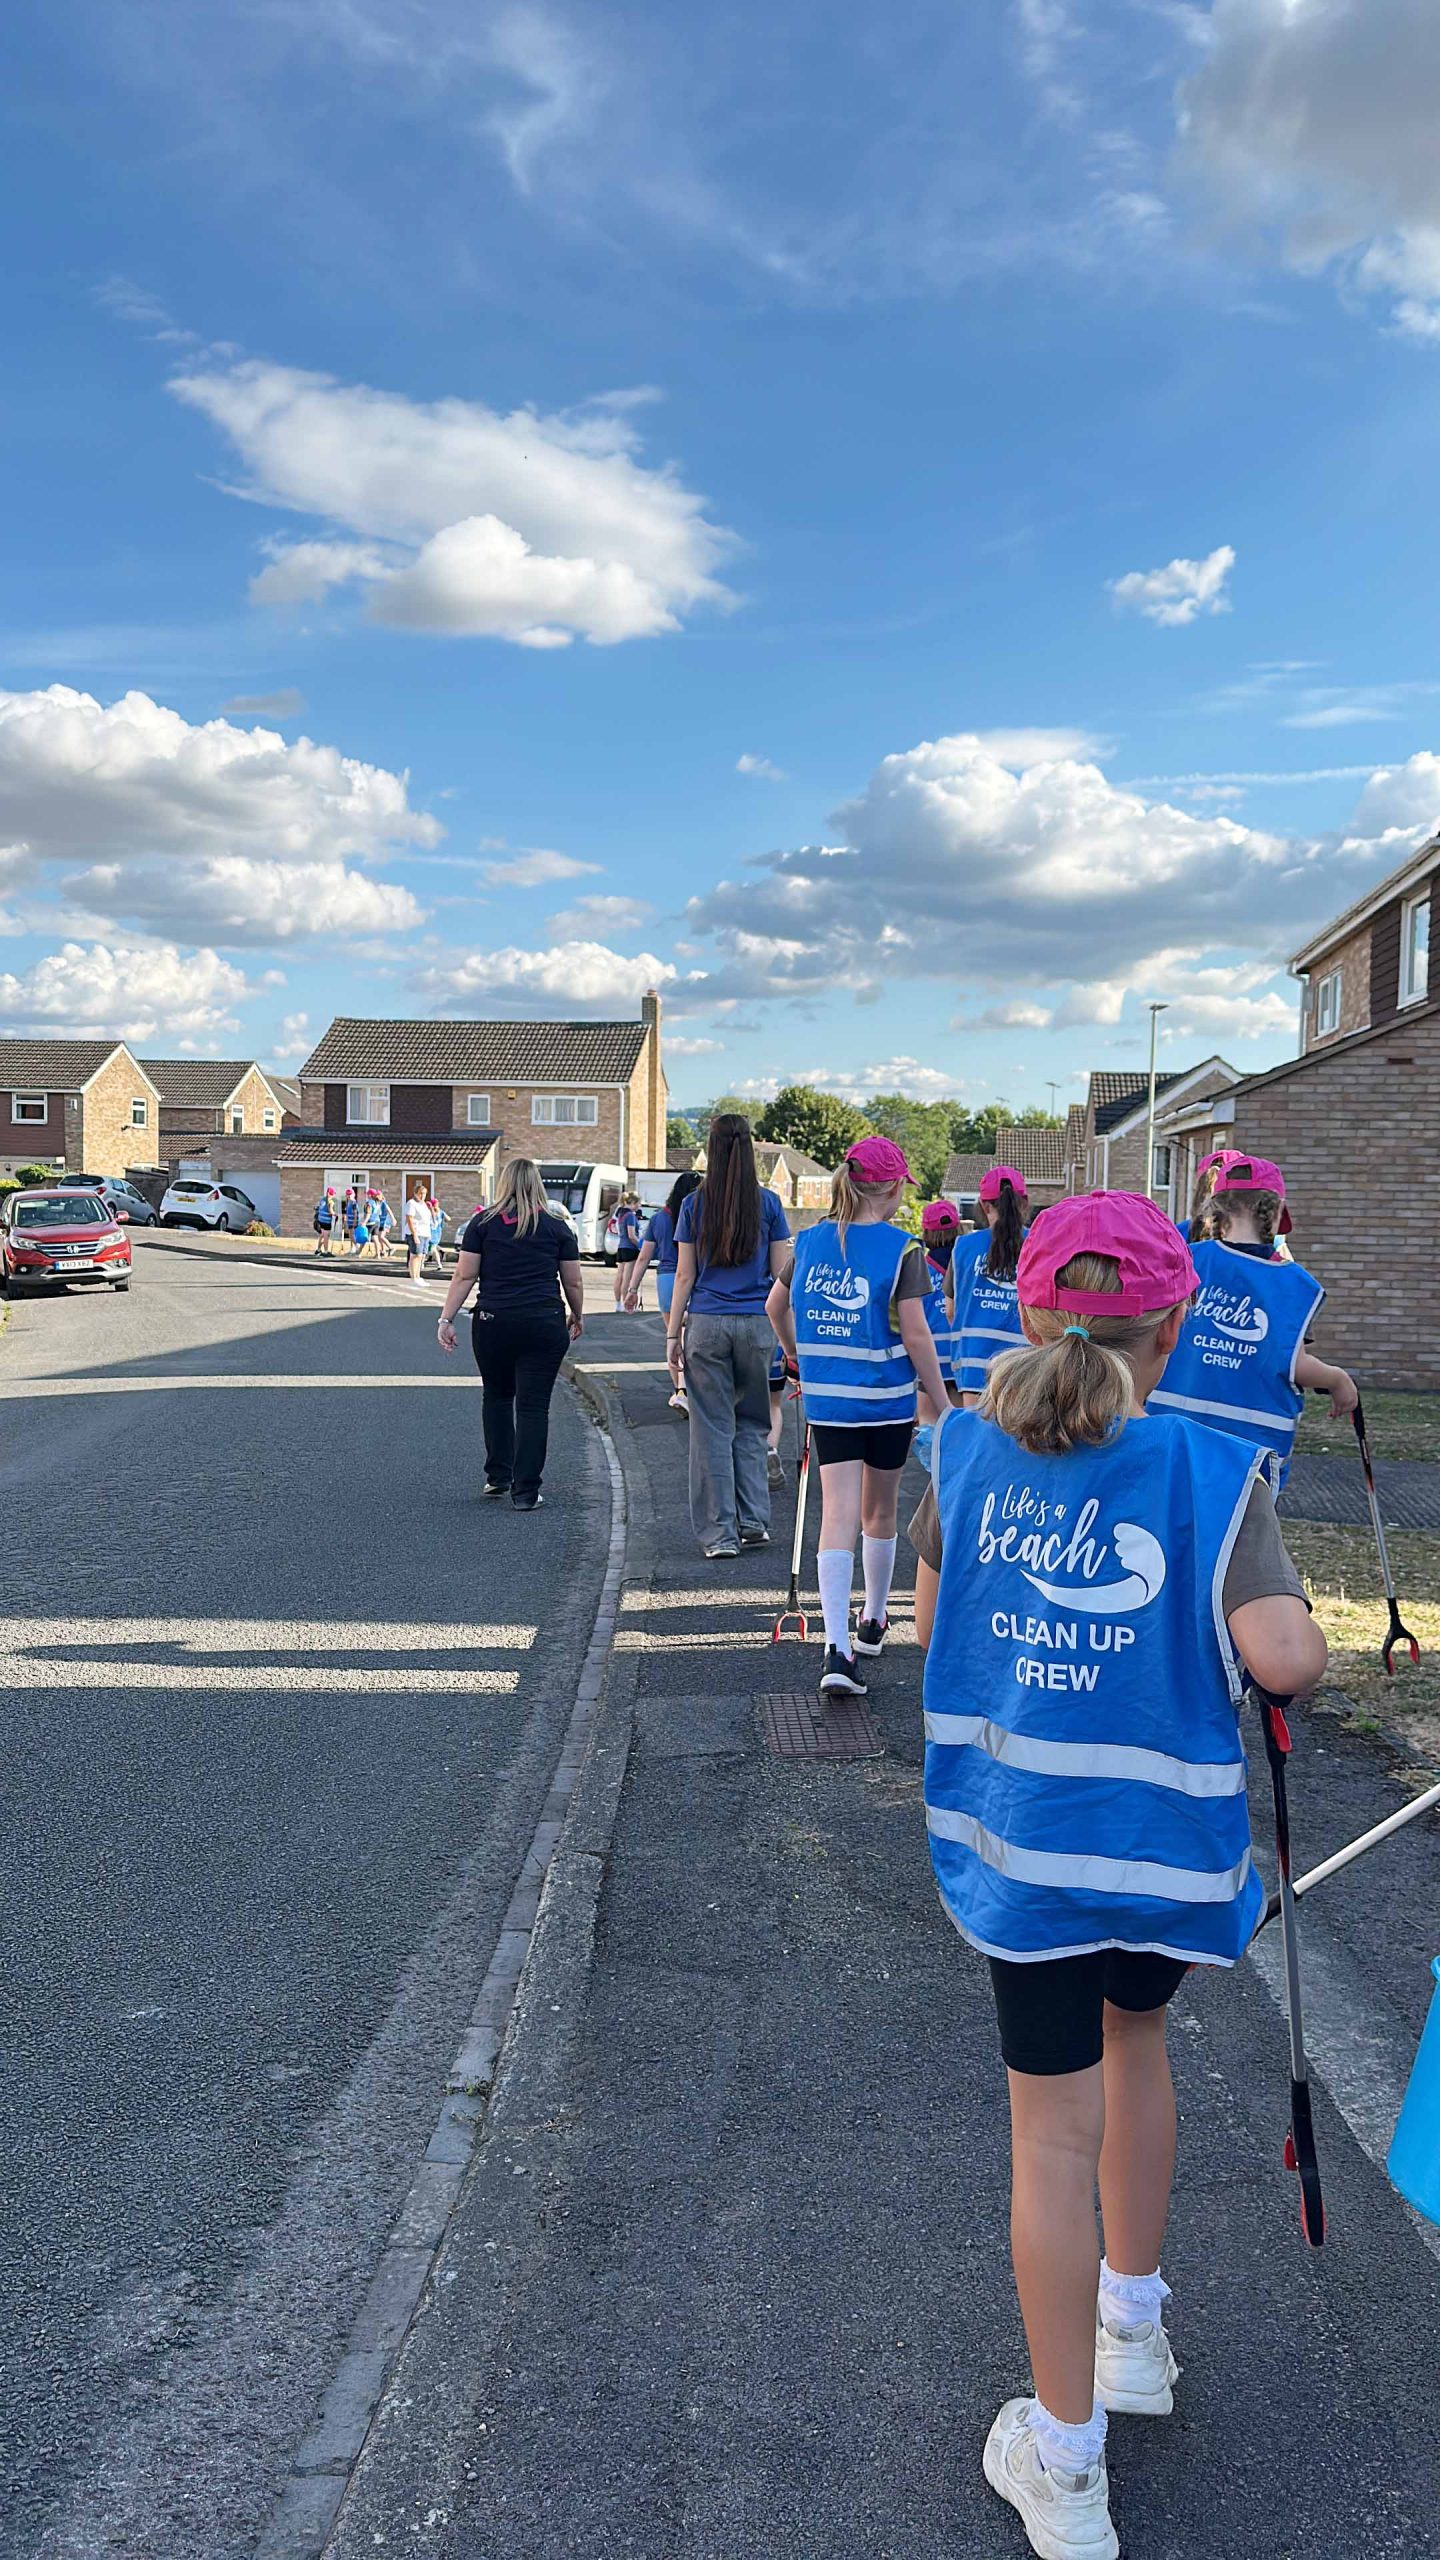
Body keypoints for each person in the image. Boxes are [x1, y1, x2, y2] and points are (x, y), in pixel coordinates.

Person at [909, 1191, 1327, 2560]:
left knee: (1049, 2136)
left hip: (1024, 1856)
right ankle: (1133, 2331)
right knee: (1135, 2043)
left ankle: (1068, 2460)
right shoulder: (1213, 1471)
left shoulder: (963, 1451)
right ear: (1177, 1330)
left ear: (1028, 1311)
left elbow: (936, 1629)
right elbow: (1285, 1660)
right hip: (1163, 1864)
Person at [767, 1137, 948, 1698]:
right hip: (887, 1401)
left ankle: (837, 1648)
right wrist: (942, 1405)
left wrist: (795, 1357)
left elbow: (775, 1306)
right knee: (880, 1509)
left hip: (829, 1401)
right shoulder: (902, 1249)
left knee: (838, 1514)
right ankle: (873, 1618)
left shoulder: (809, 1241)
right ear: (892, 1189)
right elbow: (916, 1334)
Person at [1148, 1152, 1356, 1477]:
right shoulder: (1294, 1284)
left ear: (1216, 1208)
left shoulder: (1187, 1260)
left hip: (1170, 1442)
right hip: (1249, 1458)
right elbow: (1295, 1364)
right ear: (1277, 1212)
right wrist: (1337, 1380)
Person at [666, 1115, 791, 1559]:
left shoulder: (693, 1205)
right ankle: (753, 1521)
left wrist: (672, 1334)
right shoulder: (769, 1204)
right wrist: (791, 1339)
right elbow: (780, 1275)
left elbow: (684, 1275)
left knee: (711, 1429)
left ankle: (719, 1535)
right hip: (757, 1325)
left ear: (713, 1149)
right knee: (753, 1424)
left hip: (706, 1324)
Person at [436, 1155, 584, 1510]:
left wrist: (446, 1319)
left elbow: (464, 1275)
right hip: (543, 1322)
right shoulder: (557, 1226)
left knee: (497, 1396)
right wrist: (577, 1314)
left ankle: (498, 1475)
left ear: (503, 1183)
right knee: (533, 1406)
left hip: (493, 1322)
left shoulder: (482, 1224)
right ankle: (526, 1492)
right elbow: (573, 1280)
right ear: (537, 1184)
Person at [950, 1164, 1029, 1406]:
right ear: (1025, 1204)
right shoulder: (1039, 1244)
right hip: (1025, 1364)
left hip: (973, 1361)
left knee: (975, 1428)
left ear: (984, 1206)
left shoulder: (963, 1247)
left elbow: (951, 1310)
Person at [625, 1171, 700, 1323]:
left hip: (667, 1278)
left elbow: (644, 1258)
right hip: (698, 1278)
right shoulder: (703, 1218)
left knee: (672, 1332)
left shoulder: (658, 1219)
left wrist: (632, 1289)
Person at [614, 1192, 644, 1307]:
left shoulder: (621, 1214)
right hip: (630, 1248)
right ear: (633, 1203)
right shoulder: (631, 1215)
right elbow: (631, 1235)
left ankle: (618, 1304)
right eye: (638, 1203)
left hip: (621, 1247)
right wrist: (640, 1245)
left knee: (619, 1276)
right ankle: (626, 1303)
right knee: (628, 1278)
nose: (639, 1206)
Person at [405, 1183, 432, 1287]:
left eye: (424, 1194)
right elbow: (410, 1219)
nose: (422, 1196)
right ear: (415, 1193)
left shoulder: (424, 1205)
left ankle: (418, 1276)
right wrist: (414, 1234)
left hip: (425, 1233)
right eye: (420, 1193)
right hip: (416, 1232)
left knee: (421, 1256)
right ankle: (414, 1278)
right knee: (415, 1255)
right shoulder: (411, 1203)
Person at [312, 1188, 336, 1256]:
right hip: (326, 1221)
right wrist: (335, 1214)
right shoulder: (331, 1202)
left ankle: (318, 1250)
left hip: (321, 1220)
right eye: (333, 1194)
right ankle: (326, 1251)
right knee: (326, 1236)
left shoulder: (322, 1199)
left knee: (322, 1235)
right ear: (332, 1194)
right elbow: (330, 1211)